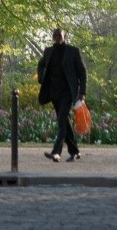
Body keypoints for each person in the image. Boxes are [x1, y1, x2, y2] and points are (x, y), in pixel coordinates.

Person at [36, 27, 88, 162]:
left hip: (67, 93)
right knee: (64, 121)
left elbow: (82, 72)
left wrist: (82, 92)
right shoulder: (48, 52)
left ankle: (56, 152)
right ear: (53, 37)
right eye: (55, 35)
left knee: (61, 121)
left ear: (65, 36)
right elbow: (41, 65)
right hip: (53, 92)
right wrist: (41, 78)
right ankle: (75, 151)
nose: (57, 37)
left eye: (60, 34)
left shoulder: (73, 51)